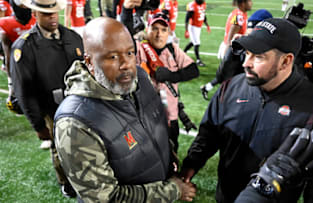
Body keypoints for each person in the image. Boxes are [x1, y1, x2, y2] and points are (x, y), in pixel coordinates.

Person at [180, 18, 313, 203]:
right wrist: (190, 166)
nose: (246, 63)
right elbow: (209, 134)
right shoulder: (231, 88)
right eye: (247, 53)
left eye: (258, 56)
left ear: (286, 61)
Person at [54, 17, 197, 202]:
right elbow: (106, 198)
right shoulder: (75, 123)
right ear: (89, 62)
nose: (126, 64)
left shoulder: (141, 79)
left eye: (130, 53)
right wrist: (172, 191)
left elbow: (155, 125)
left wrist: (170, 158)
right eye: (113, 57)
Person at [10, 0, 84, 197]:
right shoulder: (24, 47)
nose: (52, 17)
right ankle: (66, 182)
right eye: (45, 13)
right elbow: (24, 91)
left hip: (80, 104)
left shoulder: (73, 37)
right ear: (35, 13)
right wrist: (38, 125)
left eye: (53, 12)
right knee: (59, 148)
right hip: (51, 109)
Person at [121, 0, 199, 153]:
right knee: (148, 155)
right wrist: (126, 11)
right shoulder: (139, 48)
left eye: (163, 30)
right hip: (145, 116)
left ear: (168, 32)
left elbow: (193, 70)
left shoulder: (172, 49)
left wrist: (172, 75)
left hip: (171, 115)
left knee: (172, 152)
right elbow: (125, 37)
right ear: (147, 30)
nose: (159, 34)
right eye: (154, 28)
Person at [201, 8, 272, 100]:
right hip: (231, 47)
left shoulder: (237, 13)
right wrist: (229, 46)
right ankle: (213, 91)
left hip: (231, 46)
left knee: (226, 76)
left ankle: (207, 88)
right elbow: (232, 28)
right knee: (227, 77)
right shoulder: (239, 15)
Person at [0, 0, 36, 112]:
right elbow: (8, 54)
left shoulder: (36, 19)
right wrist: (11, 83)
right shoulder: (6, 24)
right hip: (19, 61)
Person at [183, 0, 210, 67]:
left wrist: (207, 25)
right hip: (193, 27)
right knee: (197, 43)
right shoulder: (192, 5)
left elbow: (203, 14)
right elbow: (187, 18)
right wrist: (186, 30)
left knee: (192, 42)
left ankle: (183, 53)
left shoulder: (203, 4)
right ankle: (198, 60)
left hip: (199, 27)